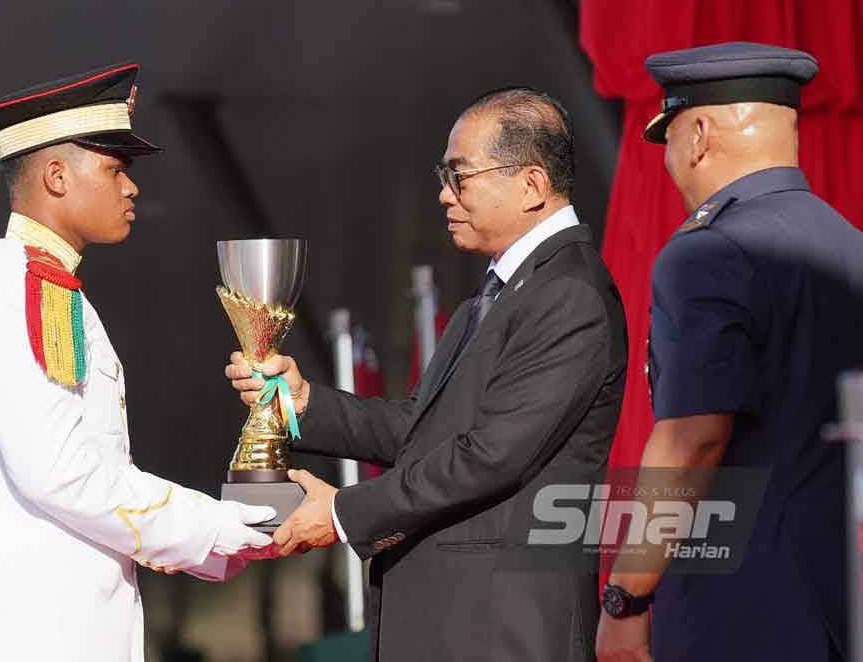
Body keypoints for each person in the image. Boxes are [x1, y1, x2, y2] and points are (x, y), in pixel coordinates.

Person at [227, 88, 628, 661]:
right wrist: (301, 402)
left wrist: (343, 513)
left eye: (459, 175)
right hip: (457, 623)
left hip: (503, 631)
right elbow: (423, 430)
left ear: (533, 185)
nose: (443, 194)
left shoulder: (567, 294)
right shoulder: (497, 295)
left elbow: (491, 455)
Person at [0, 63, 276, 662]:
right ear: (56, 176)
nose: (131, 188)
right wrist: (212, 529)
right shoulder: (29, 288)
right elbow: (61, 470)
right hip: (26, 636)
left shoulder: (43, 285)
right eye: (114, 169)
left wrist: (219, 539)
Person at [595, 42, 863, 662]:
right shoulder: (849, 246)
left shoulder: (707, 252)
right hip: (840, 604)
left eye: (669, 143)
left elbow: (693, 441)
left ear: (697, 137)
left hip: (744, 614)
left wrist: (625, 601)